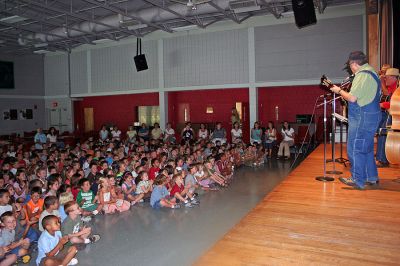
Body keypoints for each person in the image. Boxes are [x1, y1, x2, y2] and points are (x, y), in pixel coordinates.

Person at [329, 51, 381, 189]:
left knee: (356, 148)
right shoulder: (372, 73)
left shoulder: (362, 75)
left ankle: (357, 179)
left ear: (354, 64)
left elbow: (352, 98)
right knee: (367, 148)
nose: (350, 68)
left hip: (362, 117)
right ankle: (371, 176)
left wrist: (338, 91)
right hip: (371, 115)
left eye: (350, 65)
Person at [376, 68, 399, 167]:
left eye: (387, 78)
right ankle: (382, 157)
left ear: (394, 78)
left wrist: (381, 105)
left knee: (383, 132)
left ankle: (382, 159)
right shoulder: (391, 87)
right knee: (380, 131)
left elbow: (393, 103)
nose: (385, 80)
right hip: (389, 112)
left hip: (393, 114)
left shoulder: (397, 88)